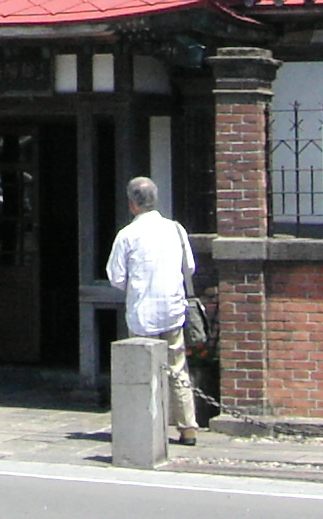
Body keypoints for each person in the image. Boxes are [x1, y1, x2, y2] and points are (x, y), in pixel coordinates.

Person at [104, 175, 200, 446]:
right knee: (177, 368)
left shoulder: (127, 235)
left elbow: (116, 277)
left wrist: (137, 286)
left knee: (143, 369)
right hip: (172, 308)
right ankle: (188, 427)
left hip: (141, 312)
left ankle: (147, 423)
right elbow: (189, 268)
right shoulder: (176, 230)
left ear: (132, 204)